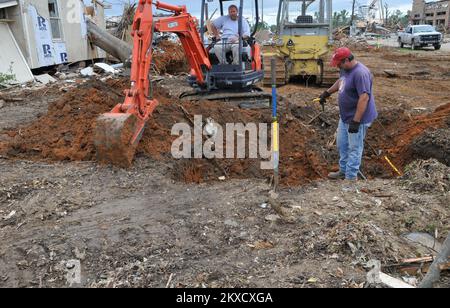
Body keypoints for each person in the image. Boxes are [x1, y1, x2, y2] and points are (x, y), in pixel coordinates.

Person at [320, 47, 378, 181]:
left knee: (354, 148)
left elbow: (364, 98)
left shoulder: (360, 74)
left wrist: (356, 121)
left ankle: (350, 178)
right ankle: (343, 171)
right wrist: (327, 92)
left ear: (347, 60)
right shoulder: (345, 69)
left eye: (339, 64)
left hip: (358, 118)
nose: (337, 67)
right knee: (342, 145)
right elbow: (341, 81)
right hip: (345, 116)